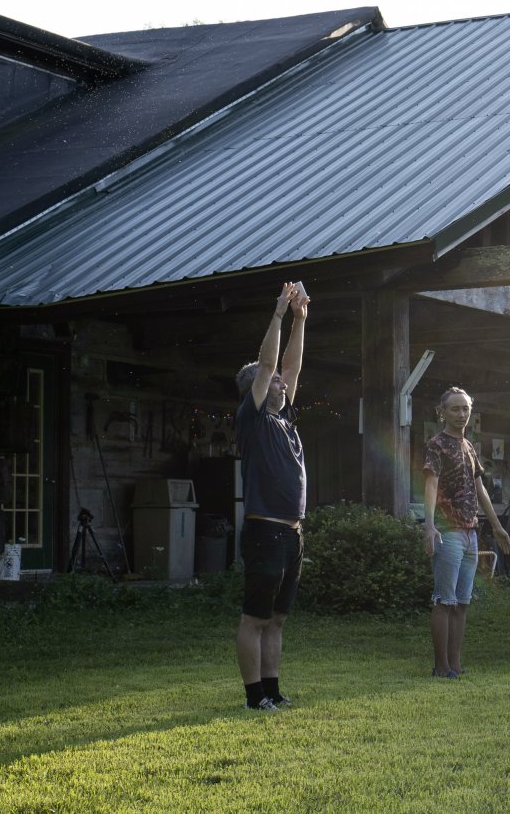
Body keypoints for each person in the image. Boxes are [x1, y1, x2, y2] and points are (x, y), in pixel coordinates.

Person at [234, 282, 309, 711]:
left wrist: (300, 320)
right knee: (256, 617)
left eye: (282, 381)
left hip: (293, 534)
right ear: (258, 389)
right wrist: (279, 314)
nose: (282, 381)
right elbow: (268, 364)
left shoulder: (285, 417)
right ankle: (253, 697)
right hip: (264, 530)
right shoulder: (255, 417)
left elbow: (292, 367)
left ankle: (273, 690)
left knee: (278, 618)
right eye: (274, 381)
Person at [422, 387, 510, 679]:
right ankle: (441, 666)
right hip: (448, 532)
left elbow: (480, 488)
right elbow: (431, 484)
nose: (461, 414)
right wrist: (429, 524)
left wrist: (496, 526)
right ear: (442, 412)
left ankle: (456, 665)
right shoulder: (437, 444)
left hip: (471, 532)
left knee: (462, 602)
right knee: (444, 600)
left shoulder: (469, 446)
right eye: (455, 409)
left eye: (465, 409)